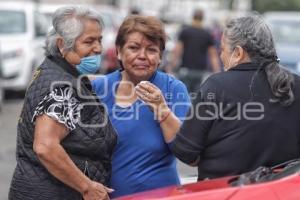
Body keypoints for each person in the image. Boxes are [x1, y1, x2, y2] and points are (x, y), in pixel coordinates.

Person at [170, 14, 300, 181]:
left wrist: (164, 115)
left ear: (238, 53)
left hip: (224, 192)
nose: (221, 55)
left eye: (222, 49)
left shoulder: (216, 87)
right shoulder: (296, 84)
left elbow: (186, 152)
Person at [9, 6, 117, 200]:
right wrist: (87, 187)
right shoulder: (61, 86)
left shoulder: (56, 72)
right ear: (62, 44)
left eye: (99, 40)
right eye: (89, 41)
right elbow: (45, 146)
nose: (98, 48)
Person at [92, 15, 191, 198]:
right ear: (119, 52)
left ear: (160, 56)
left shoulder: (173, 89)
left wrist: (161, 109)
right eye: (134, 48)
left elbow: (186, 151)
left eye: (151, 50)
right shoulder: (99, 88)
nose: (142, 56)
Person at [167, 9, 221, 92]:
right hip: (200, 71)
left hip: (186, 69)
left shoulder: (185, 32)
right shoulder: (207, 34)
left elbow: (177, 51)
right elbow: (213, 55)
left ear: (193, 17)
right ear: (203, 18)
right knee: (196, 97)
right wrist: (217, 72)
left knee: (183, 94)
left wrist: (171, 66)